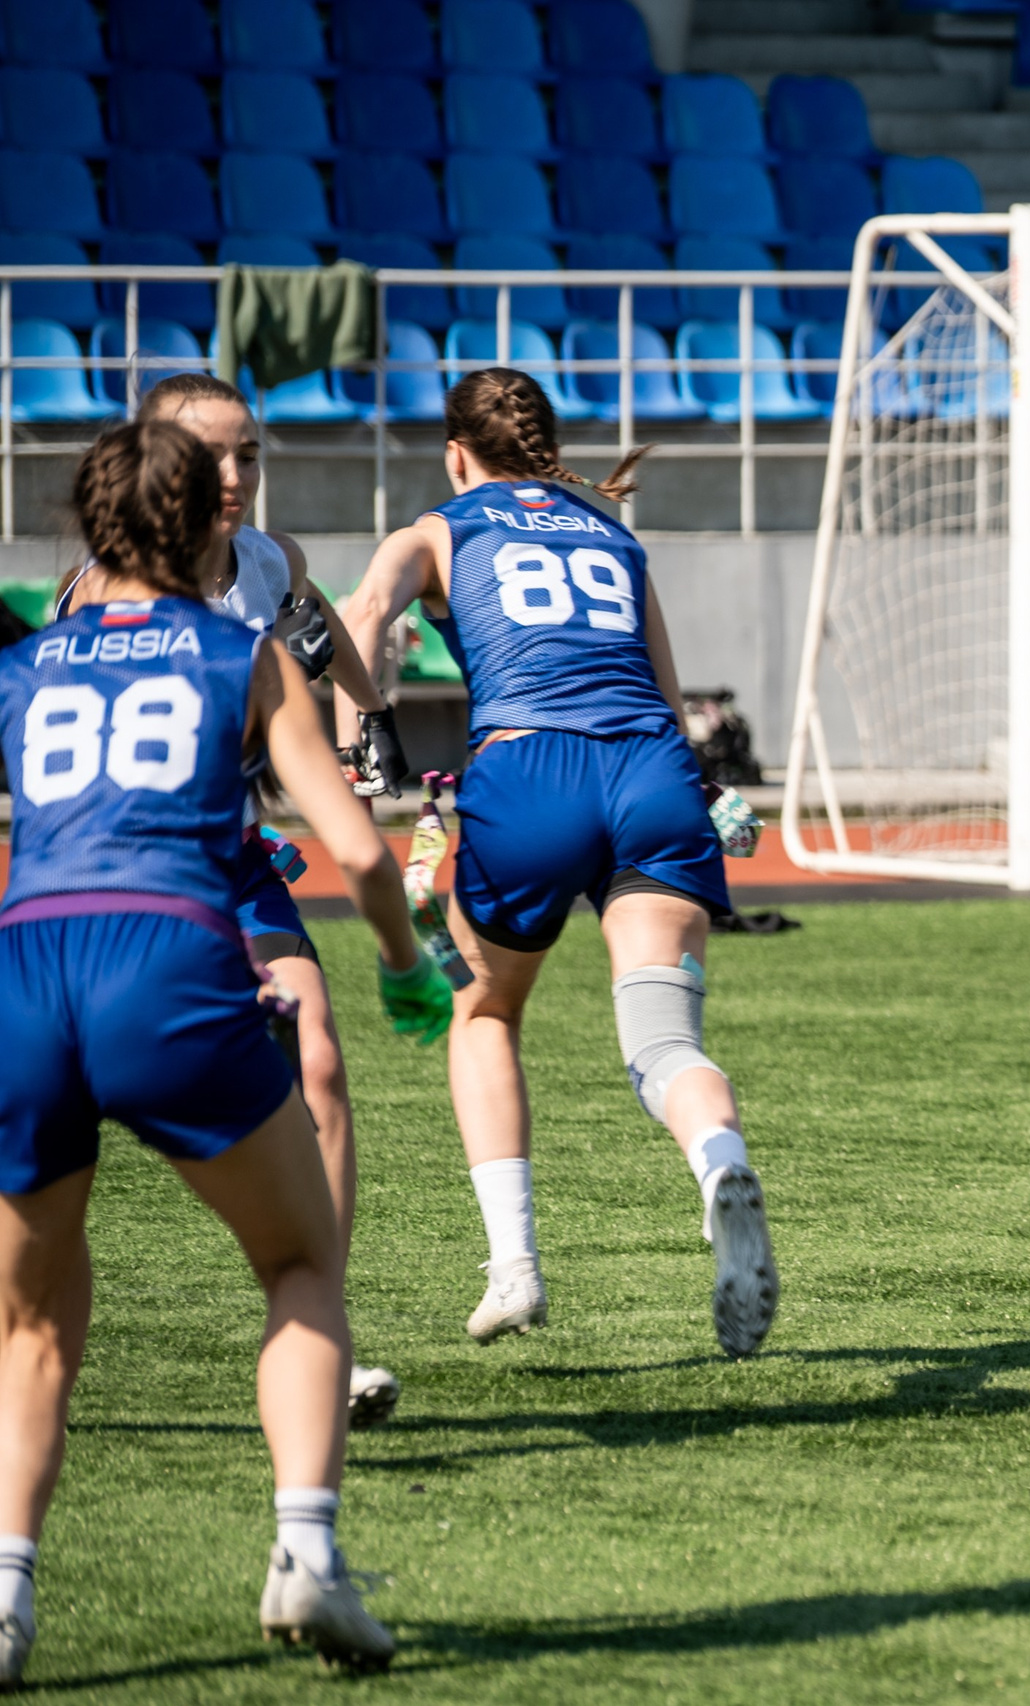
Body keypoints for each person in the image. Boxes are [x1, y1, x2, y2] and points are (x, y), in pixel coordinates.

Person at [0, 422, 452, 1683]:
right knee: (301, 1260)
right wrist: (407, 970)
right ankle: (305, 1552)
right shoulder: (239, 650)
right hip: (169, 962)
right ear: (210, 523)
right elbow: (357, 849)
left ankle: (7, 1594)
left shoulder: (24, 663)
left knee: (29, 1320)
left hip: (26, 968)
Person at [336, 369, 778, 1359]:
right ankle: (720, 1164)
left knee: (484, 1011)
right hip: (651, 775)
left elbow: (356, 615)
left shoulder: (438, 529)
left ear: (456, 454)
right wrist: (703, 792)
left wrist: (359, 754)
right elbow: (665, 693)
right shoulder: (613, 534)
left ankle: (516, 1269)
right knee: (664, 1041)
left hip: (528, 771)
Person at [55, 374, 415, 1430]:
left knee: (321, 1061)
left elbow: (317, 618)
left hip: (233, 862)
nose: (235, 474)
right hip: (118, 882)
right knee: (66, 1140)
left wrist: (368, 712)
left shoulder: (269, 559)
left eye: (248, 452)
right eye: (211, 454)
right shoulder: (98, 595)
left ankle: (321, 1330)